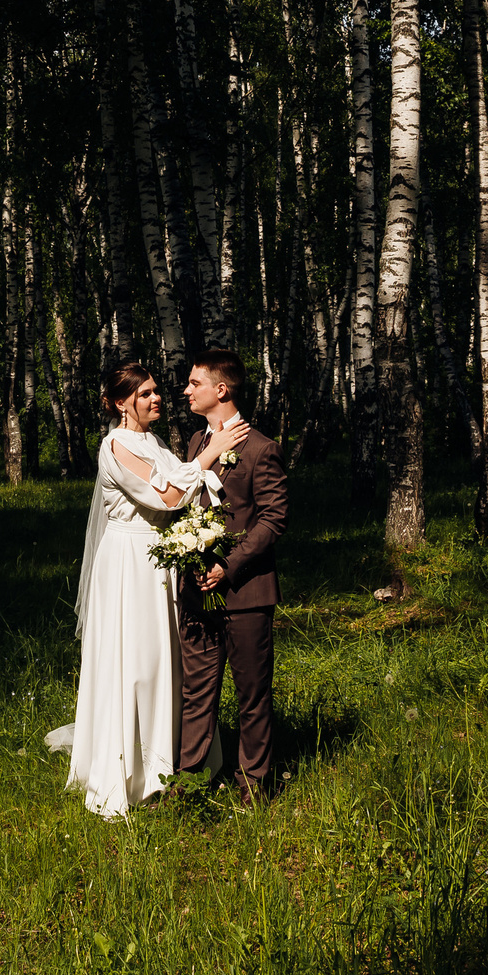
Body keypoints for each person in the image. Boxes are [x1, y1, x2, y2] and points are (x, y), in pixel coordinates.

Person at [45, 360, 250, 818]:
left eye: (156, 391)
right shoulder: (114, 446)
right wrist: (212, 451)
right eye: (145, 394)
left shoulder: (153, 441)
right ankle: (129, 772)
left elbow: (180, 491)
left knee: (166, 661)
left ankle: (171, 760)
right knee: (135, 662)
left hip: (159, 563)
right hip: (129, 566)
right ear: (121, 403)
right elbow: (167, 498)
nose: (157, 398)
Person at [175, 349, 287, 803]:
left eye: (194, 383)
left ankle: (254, 789)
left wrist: (229, 564)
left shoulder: (261, 448)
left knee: (251, 696)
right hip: (199, 592)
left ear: (220, 390)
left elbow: (273, 519)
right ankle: (187, 786)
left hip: (246, 592)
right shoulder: (195, 445)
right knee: (196, 693)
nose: (186, 390)